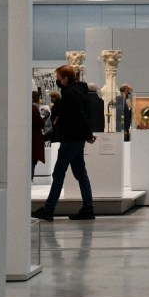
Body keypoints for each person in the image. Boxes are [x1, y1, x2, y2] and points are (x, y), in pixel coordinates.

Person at [32, 65, 97, 221]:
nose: (57, 80)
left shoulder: (70, 93)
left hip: (71, 139)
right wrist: (86, 133)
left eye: (59, 78)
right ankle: (88, 208)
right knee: (81, 173)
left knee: (59, 172)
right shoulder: (80, 91)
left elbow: (78, 115)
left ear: (65, 78)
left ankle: (49, 209)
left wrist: (86, 133)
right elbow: (83, 114)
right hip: (77, 138)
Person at [31, 91, 46, 180]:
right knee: (32, 161)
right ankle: (30, 179)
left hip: (33, 138)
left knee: (32, 161)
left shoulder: (31, 108)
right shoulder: (34, 109)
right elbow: (41, 124)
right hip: (34, 139)